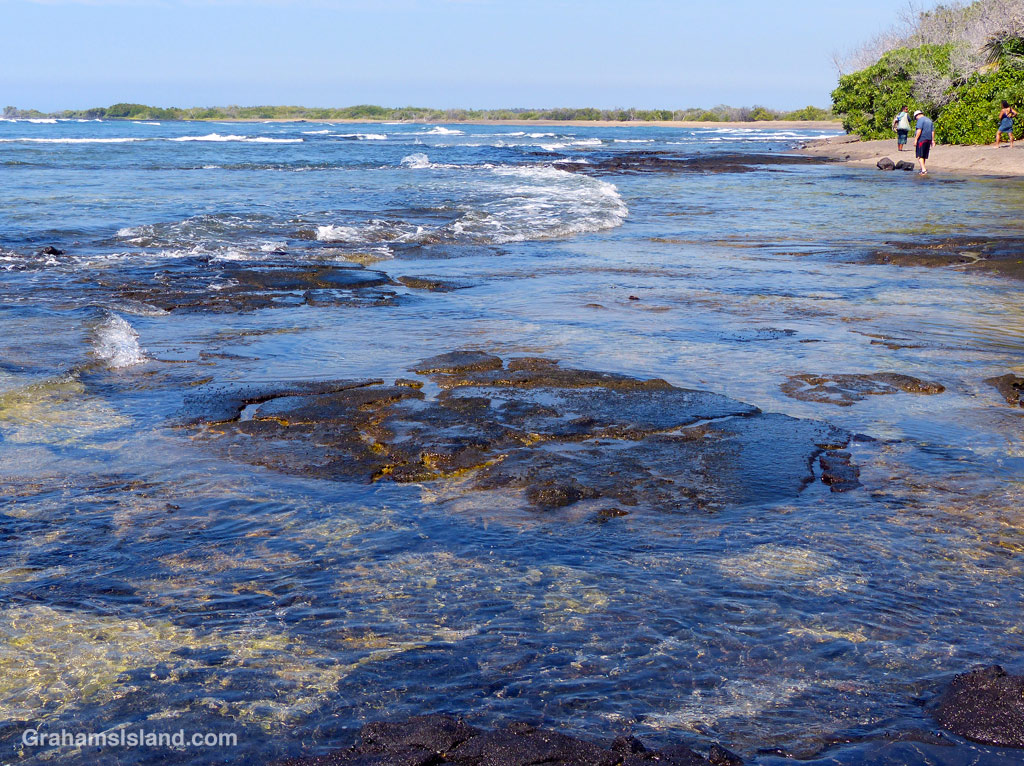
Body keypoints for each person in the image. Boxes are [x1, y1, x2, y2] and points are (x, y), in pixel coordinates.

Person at [913, 110, 934, 175]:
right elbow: (932, 131)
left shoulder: (920, 120)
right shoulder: (929, 120)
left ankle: (923, 170)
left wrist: (916, 139)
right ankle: (922, 168)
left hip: (922, 139)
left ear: (917, 115)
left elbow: (919, 130)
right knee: (924, 155)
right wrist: (932, 140)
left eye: (915, 117)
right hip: (928, 139)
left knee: (919, 156)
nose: (916, 119)